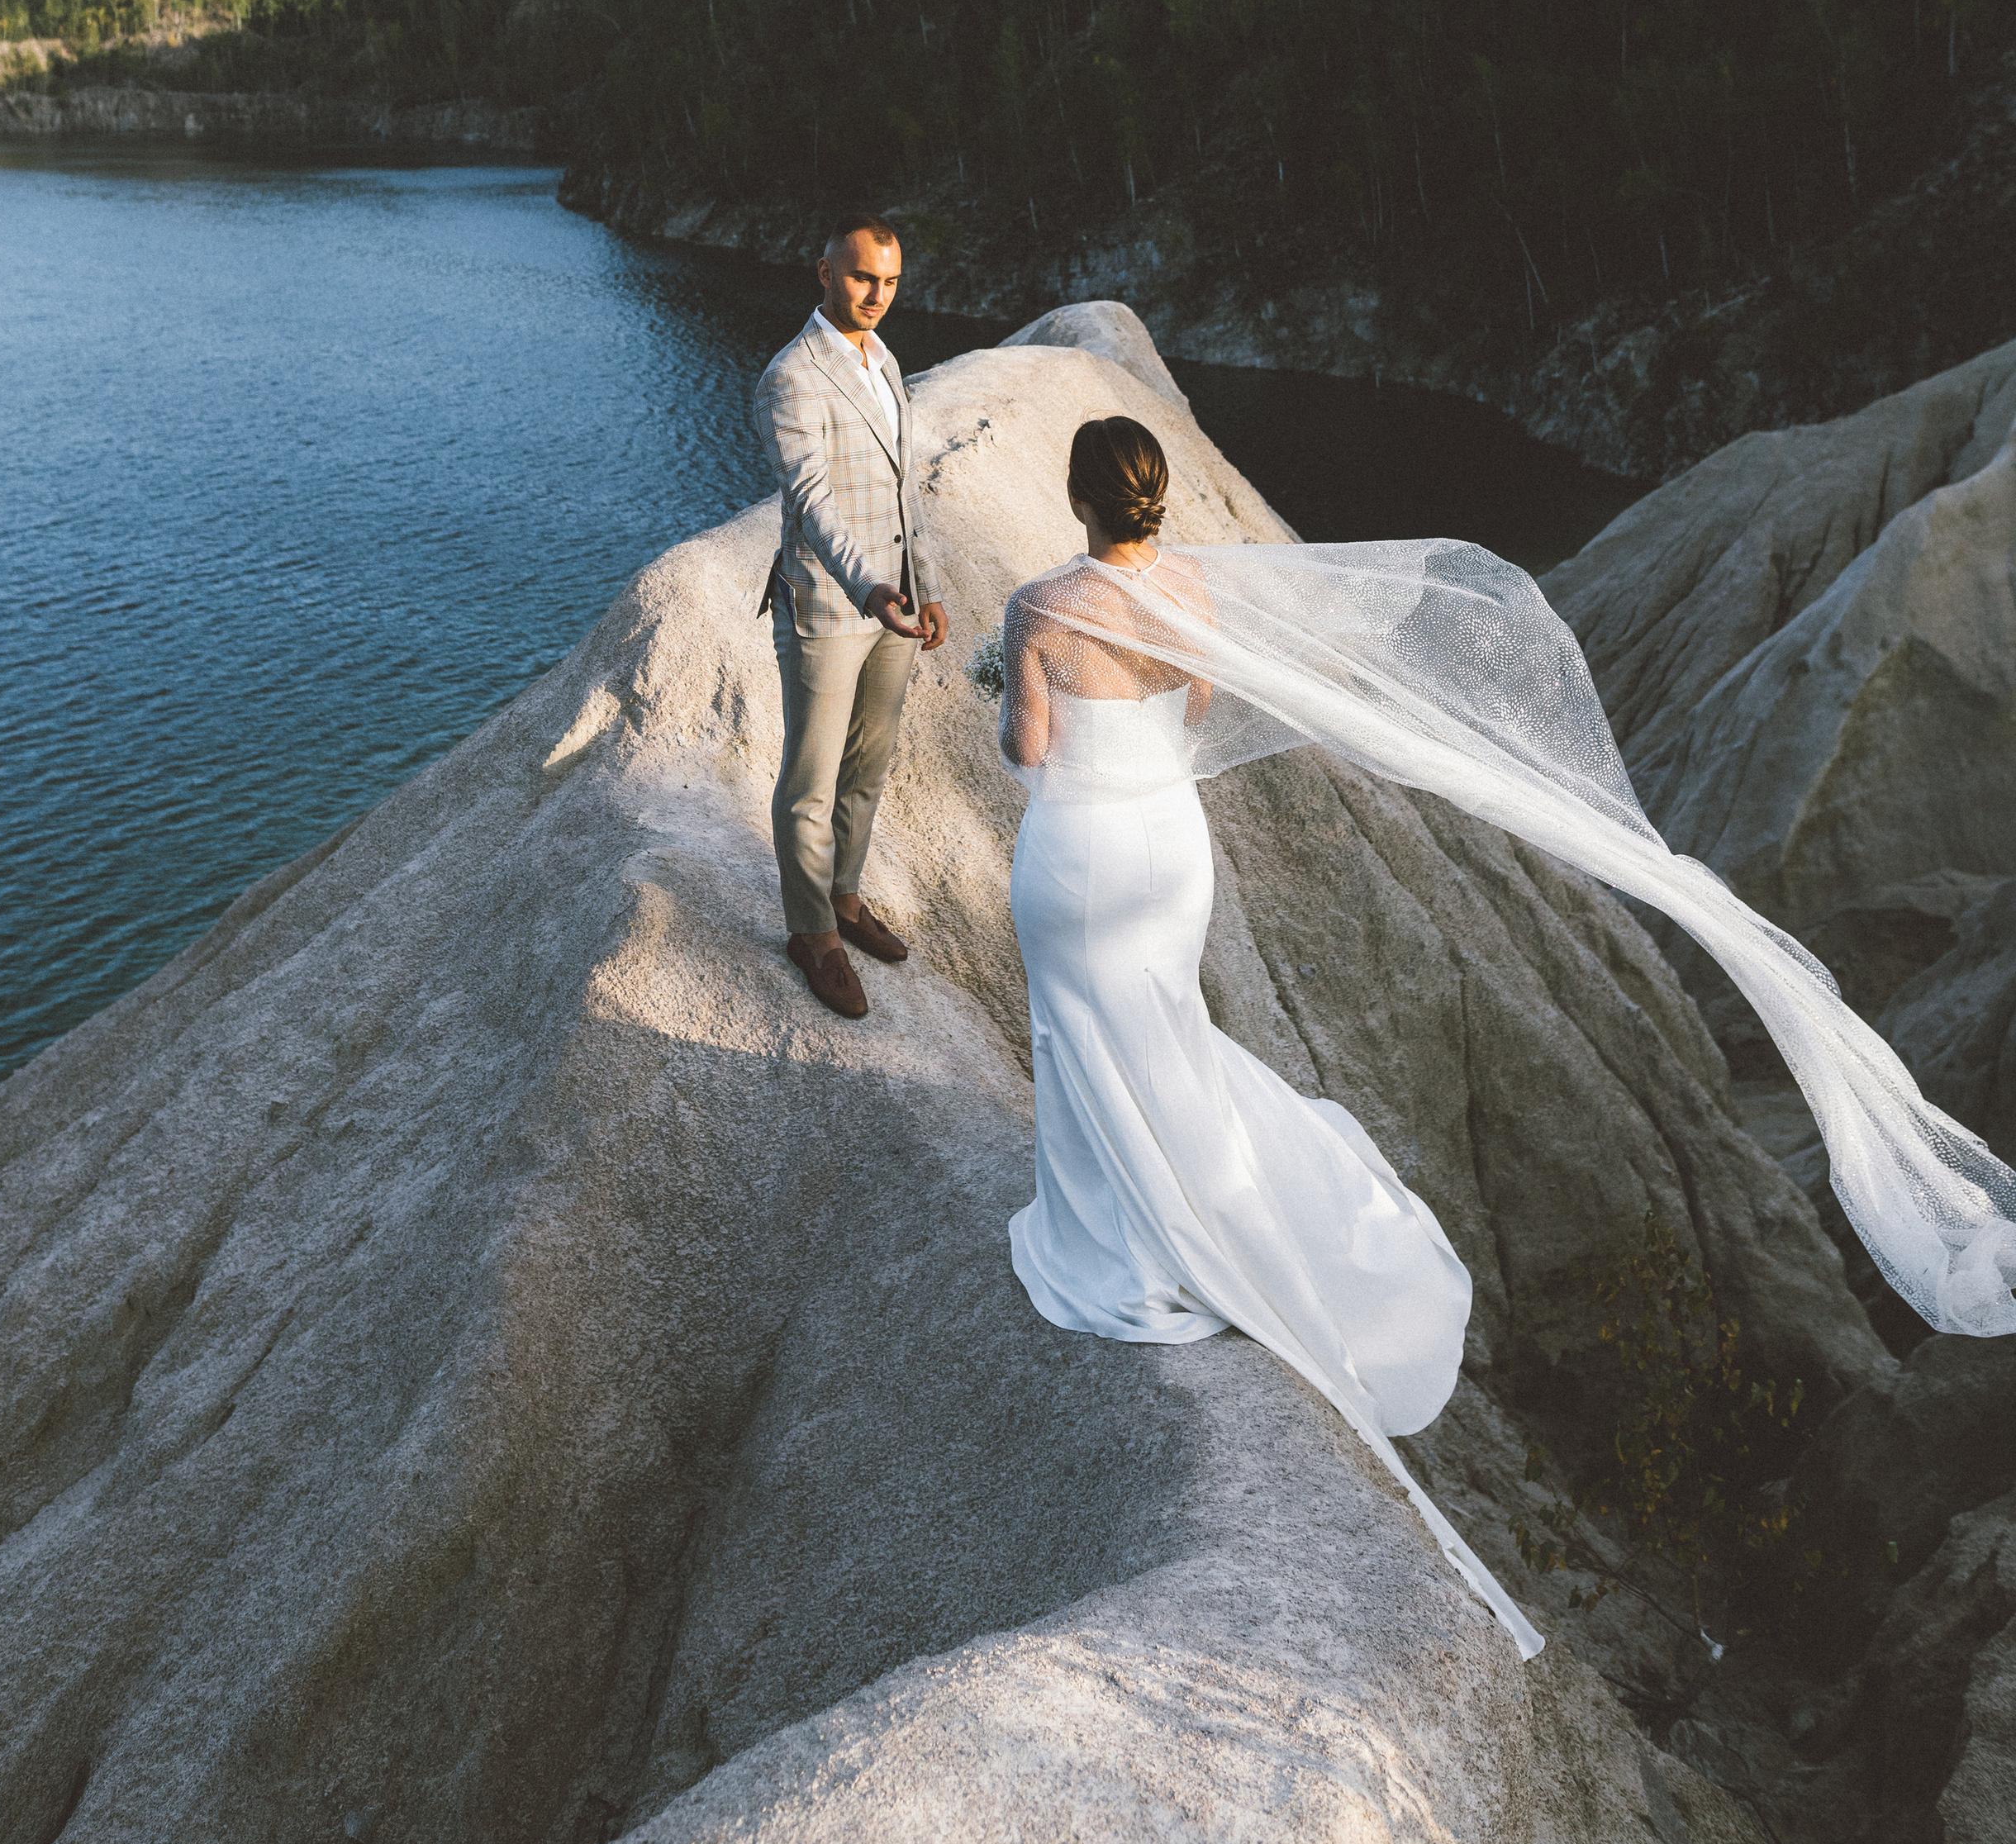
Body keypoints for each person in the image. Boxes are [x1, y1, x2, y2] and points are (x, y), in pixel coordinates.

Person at [999, 413, 2016, 1661]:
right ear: (1152, 499)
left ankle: (1113, 1230)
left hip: (1082, 854)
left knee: (1084, 1027)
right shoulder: (1198, 590)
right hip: (1168, 850)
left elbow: (1026, 748)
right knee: (1161, 1023)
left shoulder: (1041, 607)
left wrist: (1017, 691)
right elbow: (1201, 702)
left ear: (1078, 497)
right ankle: (1181, 1210)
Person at [753, 216, 949, 1019]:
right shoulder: (791, 377)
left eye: (891, 281)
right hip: (831, 606)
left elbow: (905, 488)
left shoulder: (884, 358)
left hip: (893, 604)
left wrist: (924, 585)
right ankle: (812, 935)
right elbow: (812, 503)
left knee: (867, 765)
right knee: (811, 780)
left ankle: (844, 897)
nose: (878, 295)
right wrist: (870, 588)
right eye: (864, 277)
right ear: (825, 271)